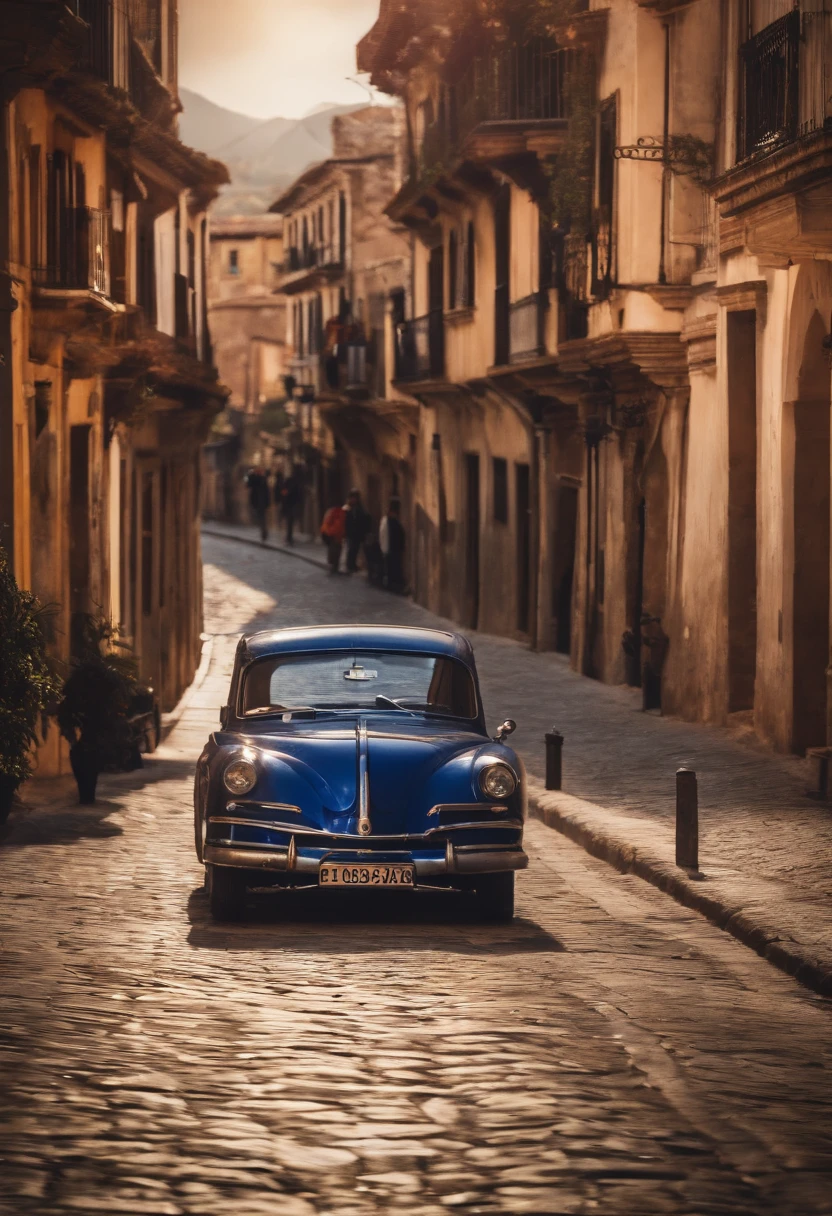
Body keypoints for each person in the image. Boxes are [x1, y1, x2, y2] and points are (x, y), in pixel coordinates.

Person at [379, 497, 406, 593]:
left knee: (393, 570)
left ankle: (393, 586)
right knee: (392, 570)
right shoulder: (388, 522)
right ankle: (393, 587)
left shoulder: (388, 521)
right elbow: (387, 536)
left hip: (392, 550)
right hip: (391, 551)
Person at [344, 488, 370, 574]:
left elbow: (363, 518)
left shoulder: (359, 508)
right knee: (351, 548)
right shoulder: (347, 508)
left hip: (357, 533)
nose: (354, 499)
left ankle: (353, 565)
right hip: (350, 532)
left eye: (355, 498)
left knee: (355, 549)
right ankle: (349, 565)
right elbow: (345, 520)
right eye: (352, 497)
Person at [320, 502, 346, 574]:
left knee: (336, 550)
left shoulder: (339, 512)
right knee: (334, 550)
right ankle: (333, 566)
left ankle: (334, 566)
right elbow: (327, 523)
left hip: (336, 535)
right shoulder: (335, 512)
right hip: (333, 534)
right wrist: (330, 533)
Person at [245, 466, 270, 542]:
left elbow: (247, 484)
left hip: (259, 501)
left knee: (261, 517)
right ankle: (264, 531)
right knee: (261, 517)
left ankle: (264, 532)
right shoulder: (262, 479)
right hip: (260, 501)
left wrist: (249, 475)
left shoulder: (256, 479)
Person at [280, 466, 302, 546]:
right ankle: (289, 537)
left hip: (290, 504)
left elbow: (284, 492)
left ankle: (289, 537)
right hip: (291, 504)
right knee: (290, 521)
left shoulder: (291, 481)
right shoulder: (294, 482)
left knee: (290, 521)